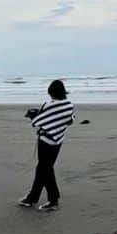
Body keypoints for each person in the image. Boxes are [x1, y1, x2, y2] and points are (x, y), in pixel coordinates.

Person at [18, 79, 75, 211]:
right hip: (58, 141)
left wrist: (33, 115)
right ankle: (33, 198)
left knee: (45, 169)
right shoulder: (68, 105)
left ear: (52, 93)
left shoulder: (48, 105)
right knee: (43, 168)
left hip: (46, 141)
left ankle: (52, 200)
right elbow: (69, 121)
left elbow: (41, 121)